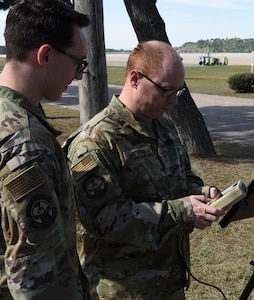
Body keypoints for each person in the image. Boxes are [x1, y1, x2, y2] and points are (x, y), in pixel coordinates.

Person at [64, 40, 226, 299]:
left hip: (168, 282)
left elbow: (182, 178)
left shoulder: (163, 127)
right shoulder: (95, 141)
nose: (174, 101)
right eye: (167, 91)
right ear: (135, 79)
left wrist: (205, 192)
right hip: (120, 290)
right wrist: (182, 211)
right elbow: (102, 219)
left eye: (179, 91)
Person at [0, 0, 90, 299]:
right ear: (46, 55)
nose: (78, 75)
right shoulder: (26, 143)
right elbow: (37, 276)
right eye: (79, 64)